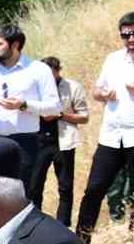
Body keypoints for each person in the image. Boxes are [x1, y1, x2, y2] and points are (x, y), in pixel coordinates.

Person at [77, 11, 134, 242]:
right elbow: (97, 90)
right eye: (126, 35)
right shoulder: (113, 59)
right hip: (111, 136)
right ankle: (80, 240)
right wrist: (102, 94)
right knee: (94, 189)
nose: (131, 39)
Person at [0, 24, 60, 189]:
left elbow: (54, 107)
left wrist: (24, 105)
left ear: (15, 45)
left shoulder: (38, 70)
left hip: (24, 143)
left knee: (19, 194)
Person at [30, 57, 89, 228]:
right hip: (38, 141)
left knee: (65, 187)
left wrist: (61, 115)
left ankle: (63, 225)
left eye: (51, 73)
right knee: (34, 186)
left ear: (58, 71)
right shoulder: (33, 89)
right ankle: (34, 226)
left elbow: (84, 117)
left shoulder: (72, 87)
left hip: (64, 141)